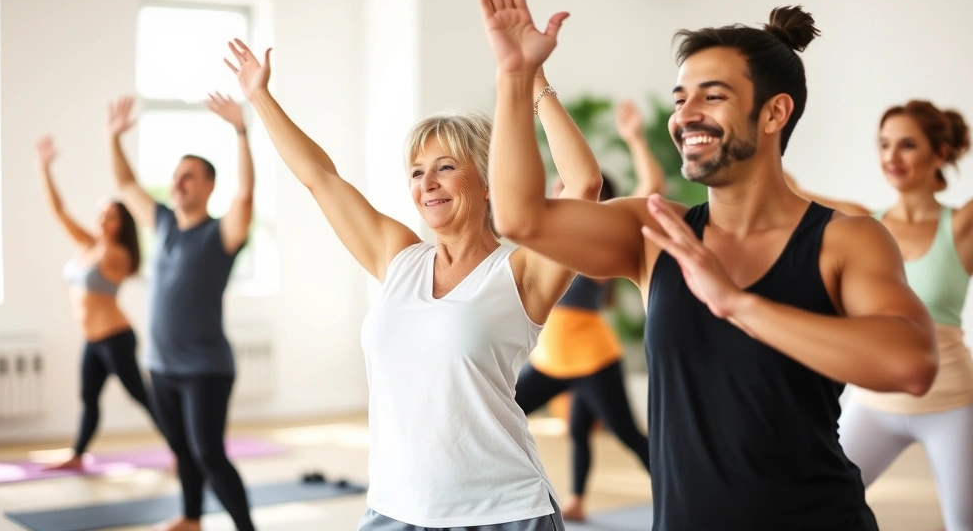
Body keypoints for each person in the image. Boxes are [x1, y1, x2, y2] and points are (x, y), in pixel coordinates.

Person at [476, 0, 938, 529]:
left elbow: (912, 364)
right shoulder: (653, 233)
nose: (685, 115)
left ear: (774, 113)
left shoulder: (845, 240)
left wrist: (739, 304)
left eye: (711, 97)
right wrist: (517, 75)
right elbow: (520, 218)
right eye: (679, 99)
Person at [223, 35, 603, 531]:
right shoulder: (398, 256)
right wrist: (259, 96)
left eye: (446, 168)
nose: (427, 184)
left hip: (504, 512)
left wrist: (534, 79)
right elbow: (320, 177)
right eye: (417, 172)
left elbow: (583, 185)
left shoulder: (522, 271)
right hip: (394, 511)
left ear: (488, 182)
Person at [786, 100, 973, 531]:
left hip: (954, 405)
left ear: (940, 154)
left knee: (970, 526)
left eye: (907, 145)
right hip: (873, 406)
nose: (891, 156)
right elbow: (786, 187)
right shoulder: (859, 224)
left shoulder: (965, 226)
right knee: (809, 508)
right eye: (884, 144)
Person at [106, 94, 256, 531]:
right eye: (175, 177)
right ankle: (191, 518)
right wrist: (113, 138)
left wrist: (241, 130)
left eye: (188, 176)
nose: (178, 183)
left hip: (205, 369)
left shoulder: (221, 234)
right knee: (182, 449)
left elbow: (246, 194)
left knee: (209, 453)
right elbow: (126, 184)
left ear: (209, 186)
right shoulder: (164, 224)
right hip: (161, 366)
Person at [514, 99, 661, 521]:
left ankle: (678, 493)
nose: (557, 191)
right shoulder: (548, 235)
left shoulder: (599, 237)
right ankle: (575, 501)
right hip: (552, 359)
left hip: (592, 358)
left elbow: (651, 187)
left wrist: (635, 139)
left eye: (563, 186)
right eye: (557, 185)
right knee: (564, 425)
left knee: (628, 436)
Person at [33, 135, 154, 472]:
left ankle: (182, 450)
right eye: (101, 213)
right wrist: (44, 168)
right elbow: (59, 211)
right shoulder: (89, 246)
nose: (102, 219)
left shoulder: (118, 255)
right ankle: (77, 455)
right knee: (89, 398)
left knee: (142, 396)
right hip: (93, 340)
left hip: (116, 337)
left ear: (122, 224)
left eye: (111, 216)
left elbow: (109, 251)